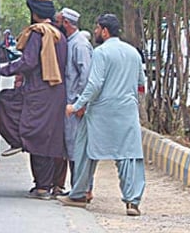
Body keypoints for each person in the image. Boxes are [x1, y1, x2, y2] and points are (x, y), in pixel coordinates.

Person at [59, 13, 146, 217]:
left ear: (105, 31)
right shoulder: (133, 52)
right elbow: (141, 84)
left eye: (97, 29)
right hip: (127, 112)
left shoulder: (101, 52)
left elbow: (95, 84)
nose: (95, 32)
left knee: (85, 150)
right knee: (129, 156)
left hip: (100, 112)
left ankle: (79, 194)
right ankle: (132, 202)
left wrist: (77, 105)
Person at [0, 0, 68, 200]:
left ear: (35, 15)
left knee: (31, 132)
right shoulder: (59, 35)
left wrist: (3, 71)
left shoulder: (39, 33)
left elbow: (27, 62)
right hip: (56, 94)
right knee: (48, 138)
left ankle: (42, 186)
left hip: (38, 93)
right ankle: (47, 185)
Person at [51, 8, 94, 199]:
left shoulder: (80, 45)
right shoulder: (70, 42)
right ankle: (78, 188)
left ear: (66, 23)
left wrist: (81, 103)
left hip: (76, 105)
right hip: (69, 104)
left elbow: (86, 75)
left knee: (78, 149)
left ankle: (82, 190)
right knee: (71, 147)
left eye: (59, 21)